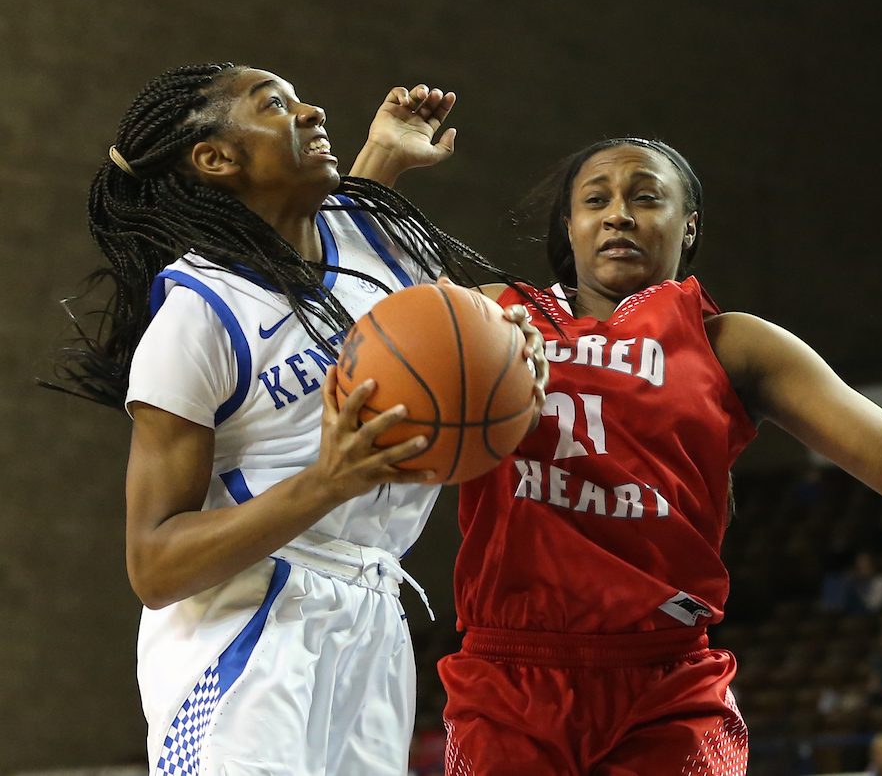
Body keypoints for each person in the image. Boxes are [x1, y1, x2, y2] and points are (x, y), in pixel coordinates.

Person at [367, 137, 882, 775]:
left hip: (666, 678)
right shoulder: (490, 317)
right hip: (510, 672)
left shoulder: (730, 341)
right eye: (596, 200)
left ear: (688, 226)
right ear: (570, 226)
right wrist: (382, 158)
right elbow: (351, 333)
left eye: (646, 198)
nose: (619, 215)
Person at [44, 64, 545, 775]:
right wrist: (326, 482)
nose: (312, 109)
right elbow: (153, 564)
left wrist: (515, 360)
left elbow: (419, 332)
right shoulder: (197, 317)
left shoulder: (382, 243)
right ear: (217, 159)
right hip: (245, 625)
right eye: (274, 105)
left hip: (372, 614)